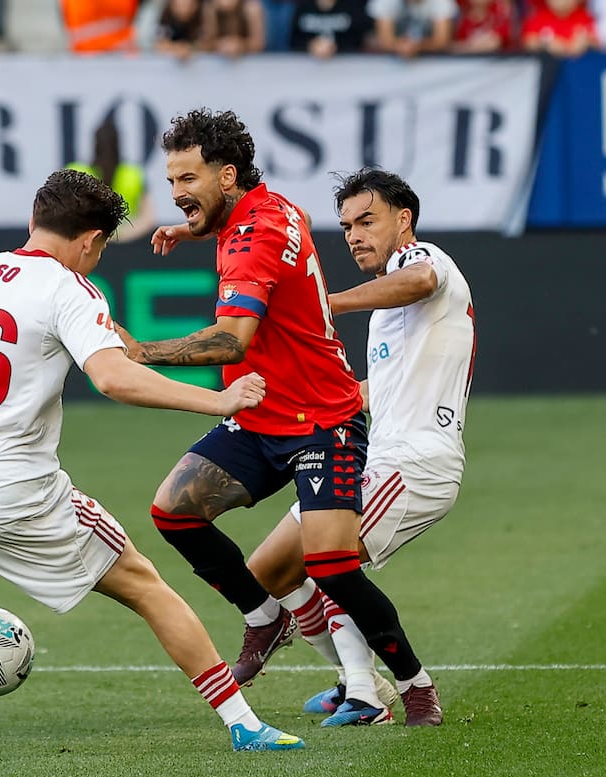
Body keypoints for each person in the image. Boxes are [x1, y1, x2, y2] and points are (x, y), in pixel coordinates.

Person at [0, 169, 304, 753]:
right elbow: (114, 377)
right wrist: (217, 399)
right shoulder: (71, 289)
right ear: (93, 241)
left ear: (33, 220)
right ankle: (243, 723)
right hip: (10, 490)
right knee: (147, 587)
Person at [122, 110, 426, 709]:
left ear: (227, 175)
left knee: (332, 566)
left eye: (188, 180)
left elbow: (231, 340)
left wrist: (140, 352)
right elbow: (288, 230)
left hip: (322, 421)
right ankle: (266, 616)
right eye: (173, 180)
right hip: (262, 416)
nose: (177, 193)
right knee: (173, 512)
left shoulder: (252, 236)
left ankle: (416, 687)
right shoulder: (275, 206)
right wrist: (197, 228)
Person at [245, 168, 475, 727]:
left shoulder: (423, 259)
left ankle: (392, 692)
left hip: (415, 462)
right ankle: (356, 679)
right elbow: (374, 392)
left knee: (327, 559)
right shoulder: (393, 314)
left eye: (367, 220)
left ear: (404, 220)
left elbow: (420, 279)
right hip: (388, 456)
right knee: (270, 568)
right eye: (346, 225)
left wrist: (327, 303)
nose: (354, 234)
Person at [66, 115, 157, 244]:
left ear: (95, 145)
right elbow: (148, 219)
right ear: (118, 144)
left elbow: (64, 216)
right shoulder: (133, 174)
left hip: (86, 246)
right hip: (126, 248)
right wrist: (119, 236)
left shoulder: (76, 172)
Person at [368, 0, 457, 57]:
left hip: (433, 65)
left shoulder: (441, 2)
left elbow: (442, 40)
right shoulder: (385, 2)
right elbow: (385, 40)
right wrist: (401, 46)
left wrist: (417, 46)